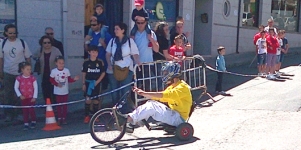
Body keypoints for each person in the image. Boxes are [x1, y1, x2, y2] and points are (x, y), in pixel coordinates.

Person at [117, 61, 192, 133]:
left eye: (166, 72)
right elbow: (161, 97)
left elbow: (163, 95)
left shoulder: (182, 87)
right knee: (151, 103)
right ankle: (135, 120)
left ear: (172, 73)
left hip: (178, 118)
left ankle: (129, 120)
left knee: (151, 107)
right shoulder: (173, 86)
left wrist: (144, 93)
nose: (164, 74)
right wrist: (144, 94)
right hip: (174, 114)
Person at [0, 24, 32, 122]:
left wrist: (28, 72)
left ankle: (20, 114)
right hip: (7, 72)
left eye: (14, 33)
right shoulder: (3, 43)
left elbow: (28, 58)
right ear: (6, 33)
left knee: (21, 94)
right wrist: (0, 71)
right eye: (10, 33)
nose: (12, 35)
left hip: (20, 73)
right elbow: (1, 59)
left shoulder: (22, 43)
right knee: (7, 94)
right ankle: (9, 115)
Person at [105, 22, 140, 106]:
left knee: (125, 91)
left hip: (127, 69)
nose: (115, 31)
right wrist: (109, 64)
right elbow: (108, 54)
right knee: (114, 92)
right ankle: (115, 111)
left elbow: (135, 54)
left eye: (117, 29)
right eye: (114, 29)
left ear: (123, 30)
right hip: (113, 68)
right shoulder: (112, 41)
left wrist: (138, 62)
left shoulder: (129, 41)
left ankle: (124, 110)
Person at [50, 56, 79, 125]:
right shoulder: (53, 71)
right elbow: (51, 80)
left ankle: (64, 118)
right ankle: (59, 118)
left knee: (65, 105)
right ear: (56, 63)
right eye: (59, 63)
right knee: (59, 105)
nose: (61, 64)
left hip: (65, 91)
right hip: (57, 91)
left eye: (63, 63)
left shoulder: (66, 70)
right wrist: (56, 84)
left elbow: (69, 80)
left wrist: (74, 79)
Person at [34, 35, 62, 103]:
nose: (47, 44)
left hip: (54, 75)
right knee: (46, 91)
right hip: (44, 74)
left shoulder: (56, 50)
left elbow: (61, 60)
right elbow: (34, 56)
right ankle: (47, 105)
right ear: (42, 43)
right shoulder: (40, 50)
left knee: (54, 91)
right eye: (45, 43)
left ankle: (55, 105)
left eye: (48, 42)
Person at [134, 17, 159, 91]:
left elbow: (156, 50)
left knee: (146, 86)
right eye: (138, 23)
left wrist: (151, 39)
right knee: (136, 86)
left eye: (142, 23)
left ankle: (146, 101)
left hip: (147, 64)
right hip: (136, 64)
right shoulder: (133, 34)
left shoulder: (151, 33)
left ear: (146, 23)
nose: (140, 25)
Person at [82, 45, 106, 123]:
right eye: (92, 52)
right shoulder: (86, 62)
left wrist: (97, 81)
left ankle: (95, 116)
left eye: (96, 52)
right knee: (88, 100)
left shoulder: (100, 62)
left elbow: (103, 73)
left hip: (97, 84)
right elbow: (83, 73)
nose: (94, 54)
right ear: (89, 52)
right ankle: (86, 116)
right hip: (88, 83)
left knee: (96, 100)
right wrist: (83, 84)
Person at [14, 62, 37, 130]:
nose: (29, 71)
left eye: (30, 69)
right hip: (23, 98)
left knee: (31, 110)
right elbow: (16, 87)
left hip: (31, 97)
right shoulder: (19, 78)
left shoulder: (33, 78)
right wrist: (20, 95)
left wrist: (34, 97)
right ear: (22, 70)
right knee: (25, 111)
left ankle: (33, 121)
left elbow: (35, 88)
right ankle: (26, 123)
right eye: (27, 69)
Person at [154, 21, 169, 91]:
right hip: (161, 62)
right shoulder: (164, 40)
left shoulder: (154, 37)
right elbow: (166, 54)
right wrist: (175, 58)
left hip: (152, 61)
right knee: (162, 81)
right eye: (166, 29)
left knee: (154, 80)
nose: (167, 31)